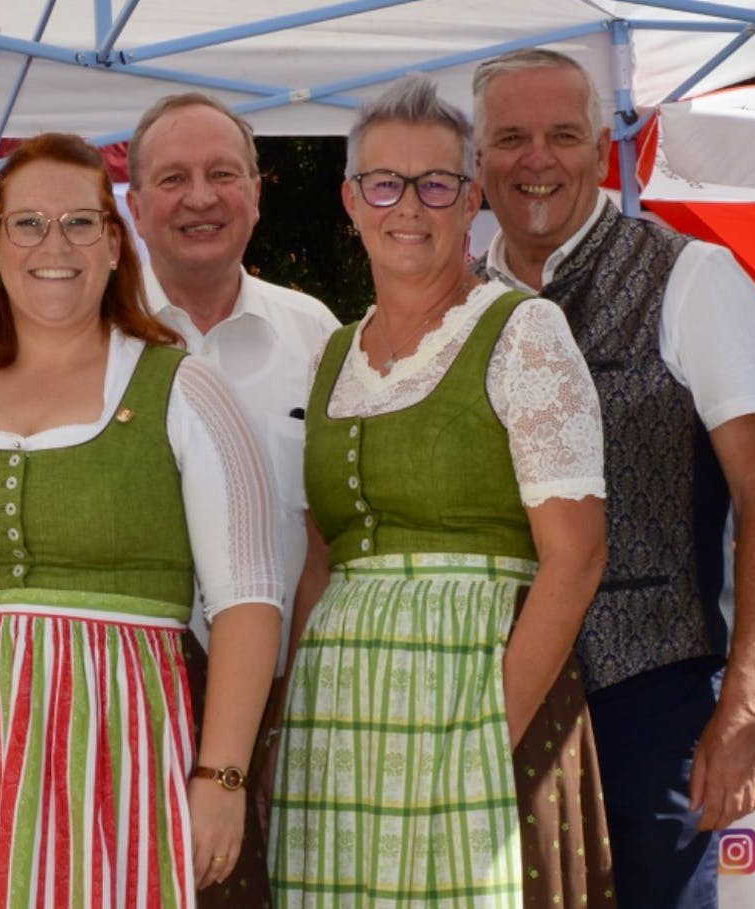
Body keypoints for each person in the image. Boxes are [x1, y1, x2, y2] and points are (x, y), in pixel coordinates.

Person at [0, 132, 283, 907]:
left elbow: (248, 599)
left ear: (117, 245)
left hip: (123, 744)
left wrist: (222, 775)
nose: (53, 244)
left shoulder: (183, 387)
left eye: (80, 223)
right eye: (27, 224)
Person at [473, 48, 755, 909]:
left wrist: (748, 702)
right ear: (478, 163)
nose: (535, 158)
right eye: (510, 137)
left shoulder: (691, 276)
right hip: (499, 695)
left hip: (653, 699)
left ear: (597, 150)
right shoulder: (461, 303)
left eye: (561, 135)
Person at [268, 75, 611, 907]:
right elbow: (320, 558)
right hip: (341, 715)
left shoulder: (523, 332)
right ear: (352, 200)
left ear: (471, 202)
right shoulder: (335, 354)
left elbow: (576, 556)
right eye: (385, 183)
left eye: (436, 184)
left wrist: (489, 731)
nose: (408, 207)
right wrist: (286, 718)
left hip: (477, 690)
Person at [126, 93, 341, 907]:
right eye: (173, 178)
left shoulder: (316, 334)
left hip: (291, 709)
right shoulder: (89, 336)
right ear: (136, 205)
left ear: (258, 190)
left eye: (223, 173)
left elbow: (333, 536)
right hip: (130, 710)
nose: (200, 197)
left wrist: (293, 708)